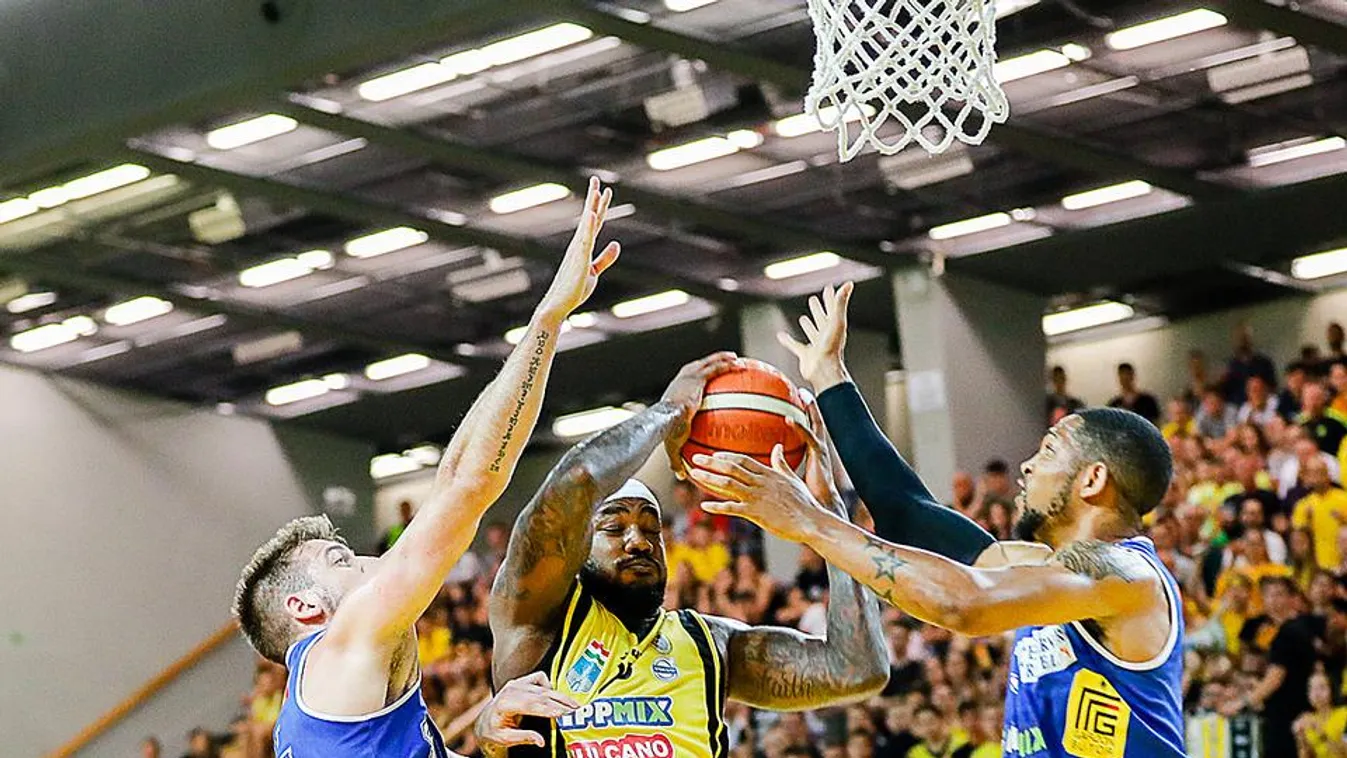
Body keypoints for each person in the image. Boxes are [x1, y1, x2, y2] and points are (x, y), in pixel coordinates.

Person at [691, 283, 1185, 757]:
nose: (1028, 466)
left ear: (1093, 479)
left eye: (1050, 450)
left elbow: (962, 604)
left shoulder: (1126, 575)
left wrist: (810, 523)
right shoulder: (1041, 568)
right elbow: (909, 513)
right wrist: (828, 377)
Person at [230, 178, 622, 758]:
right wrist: (548, 319)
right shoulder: (346, 641)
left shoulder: (329, 702)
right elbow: (470, 484)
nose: (370, 561)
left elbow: (450, 480)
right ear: (306, 607)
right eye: (341, 561)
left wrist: (485, 738)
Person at [487, 353, 889, 758]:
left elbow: (857, 670)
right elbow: (577, 482)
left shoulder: (710, 643)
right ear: (578, 546)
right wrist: (671, 412)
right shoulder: (538, 622)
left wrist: (829, 516)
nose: (638, 541)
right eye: (614, 527)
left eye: (651, 529)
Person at [1107, 362, 1161, 426]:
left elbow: (1155, 424)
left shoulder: (1148, 401)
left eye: (1127, 374)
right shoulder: (1115, 405)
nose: (1125, 378)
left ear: (1132, 376)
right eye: (1122, 375)